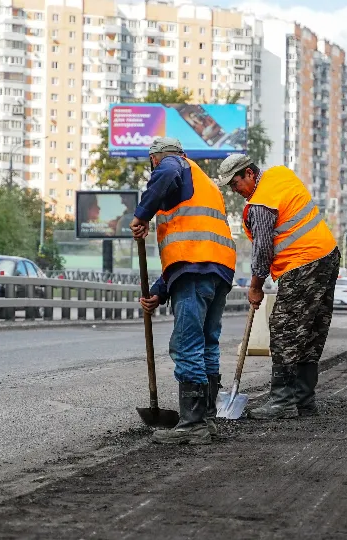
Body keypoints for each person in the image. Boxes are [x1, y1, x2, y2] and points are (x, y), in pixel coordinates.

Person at [215, 153, 341, 420]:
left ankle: (283, 400)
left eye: (235, 183)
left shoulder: (260, 203)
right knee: (310, 330)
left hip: (302, 263)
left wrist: (255, 286)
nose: (235, 191)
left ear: (249, 173)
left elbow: (262, 251)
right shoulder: (280, 175)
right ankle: (304, 400)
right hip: (328, 256)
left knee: (285, 328)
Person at [130, 137, 237, 445]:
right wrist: (159, 292)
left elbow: (188, 249)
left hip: (196, 268)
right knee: (207, 343)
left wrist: (142, 215)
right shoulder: (203, 183)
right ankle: (207, 417)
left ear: (155, 159)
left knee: (187, 344)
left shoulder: (171, 165)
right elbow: (188, 243)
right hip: (217, 268)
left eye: (154, 164)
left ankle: (193, 424)